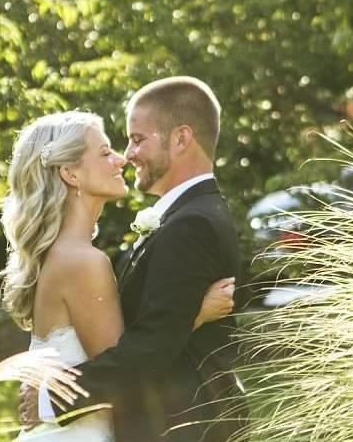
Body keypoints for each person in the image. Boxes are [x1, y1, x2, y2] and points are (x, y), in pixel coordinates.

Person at [23, 77, 249, 442]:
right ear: (70, 173)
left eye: (136, 139)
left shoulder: (191, 224)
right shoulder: (85, 257)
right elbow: (146, 338)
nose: (126, 156)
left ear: (180, 139)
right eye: (109, 149)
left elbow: (147, 348)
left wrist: (52, 399)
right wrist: (190, 316)